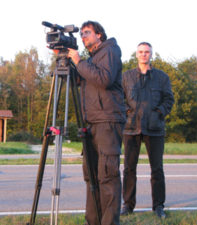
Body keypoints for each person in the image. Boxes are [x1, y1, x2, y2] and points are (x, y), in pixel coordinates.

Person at [67, 21, 126, 225]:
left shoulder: (110, 51)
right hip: (91, 122)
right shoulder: (90, 59)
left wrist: (79, 62)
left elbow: (104, 79)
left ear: (99, 35)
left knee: (107, 176)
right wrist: (69, 62)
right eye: (81, 34)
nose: (83, 36)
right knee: (91, 176)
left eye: (87, 32)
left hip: (108, 121)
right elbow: (78, 81)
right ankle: (93, 220)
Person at [120, 42, 174, 218]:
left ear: (151, 55)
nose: (144, 55)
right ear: (136, 55)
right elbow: (119, 99)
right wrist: (127, 112)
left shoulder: (161, 77)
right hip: (131, 128)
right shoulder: (126, 77)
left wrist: (159, 113)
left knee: (157, 169)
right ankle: (128, 205)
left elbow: (168, 99)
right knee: (129, 168)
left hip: (155, 128)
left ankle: (158, 206)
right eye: (141, 52)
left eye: (147, 52)